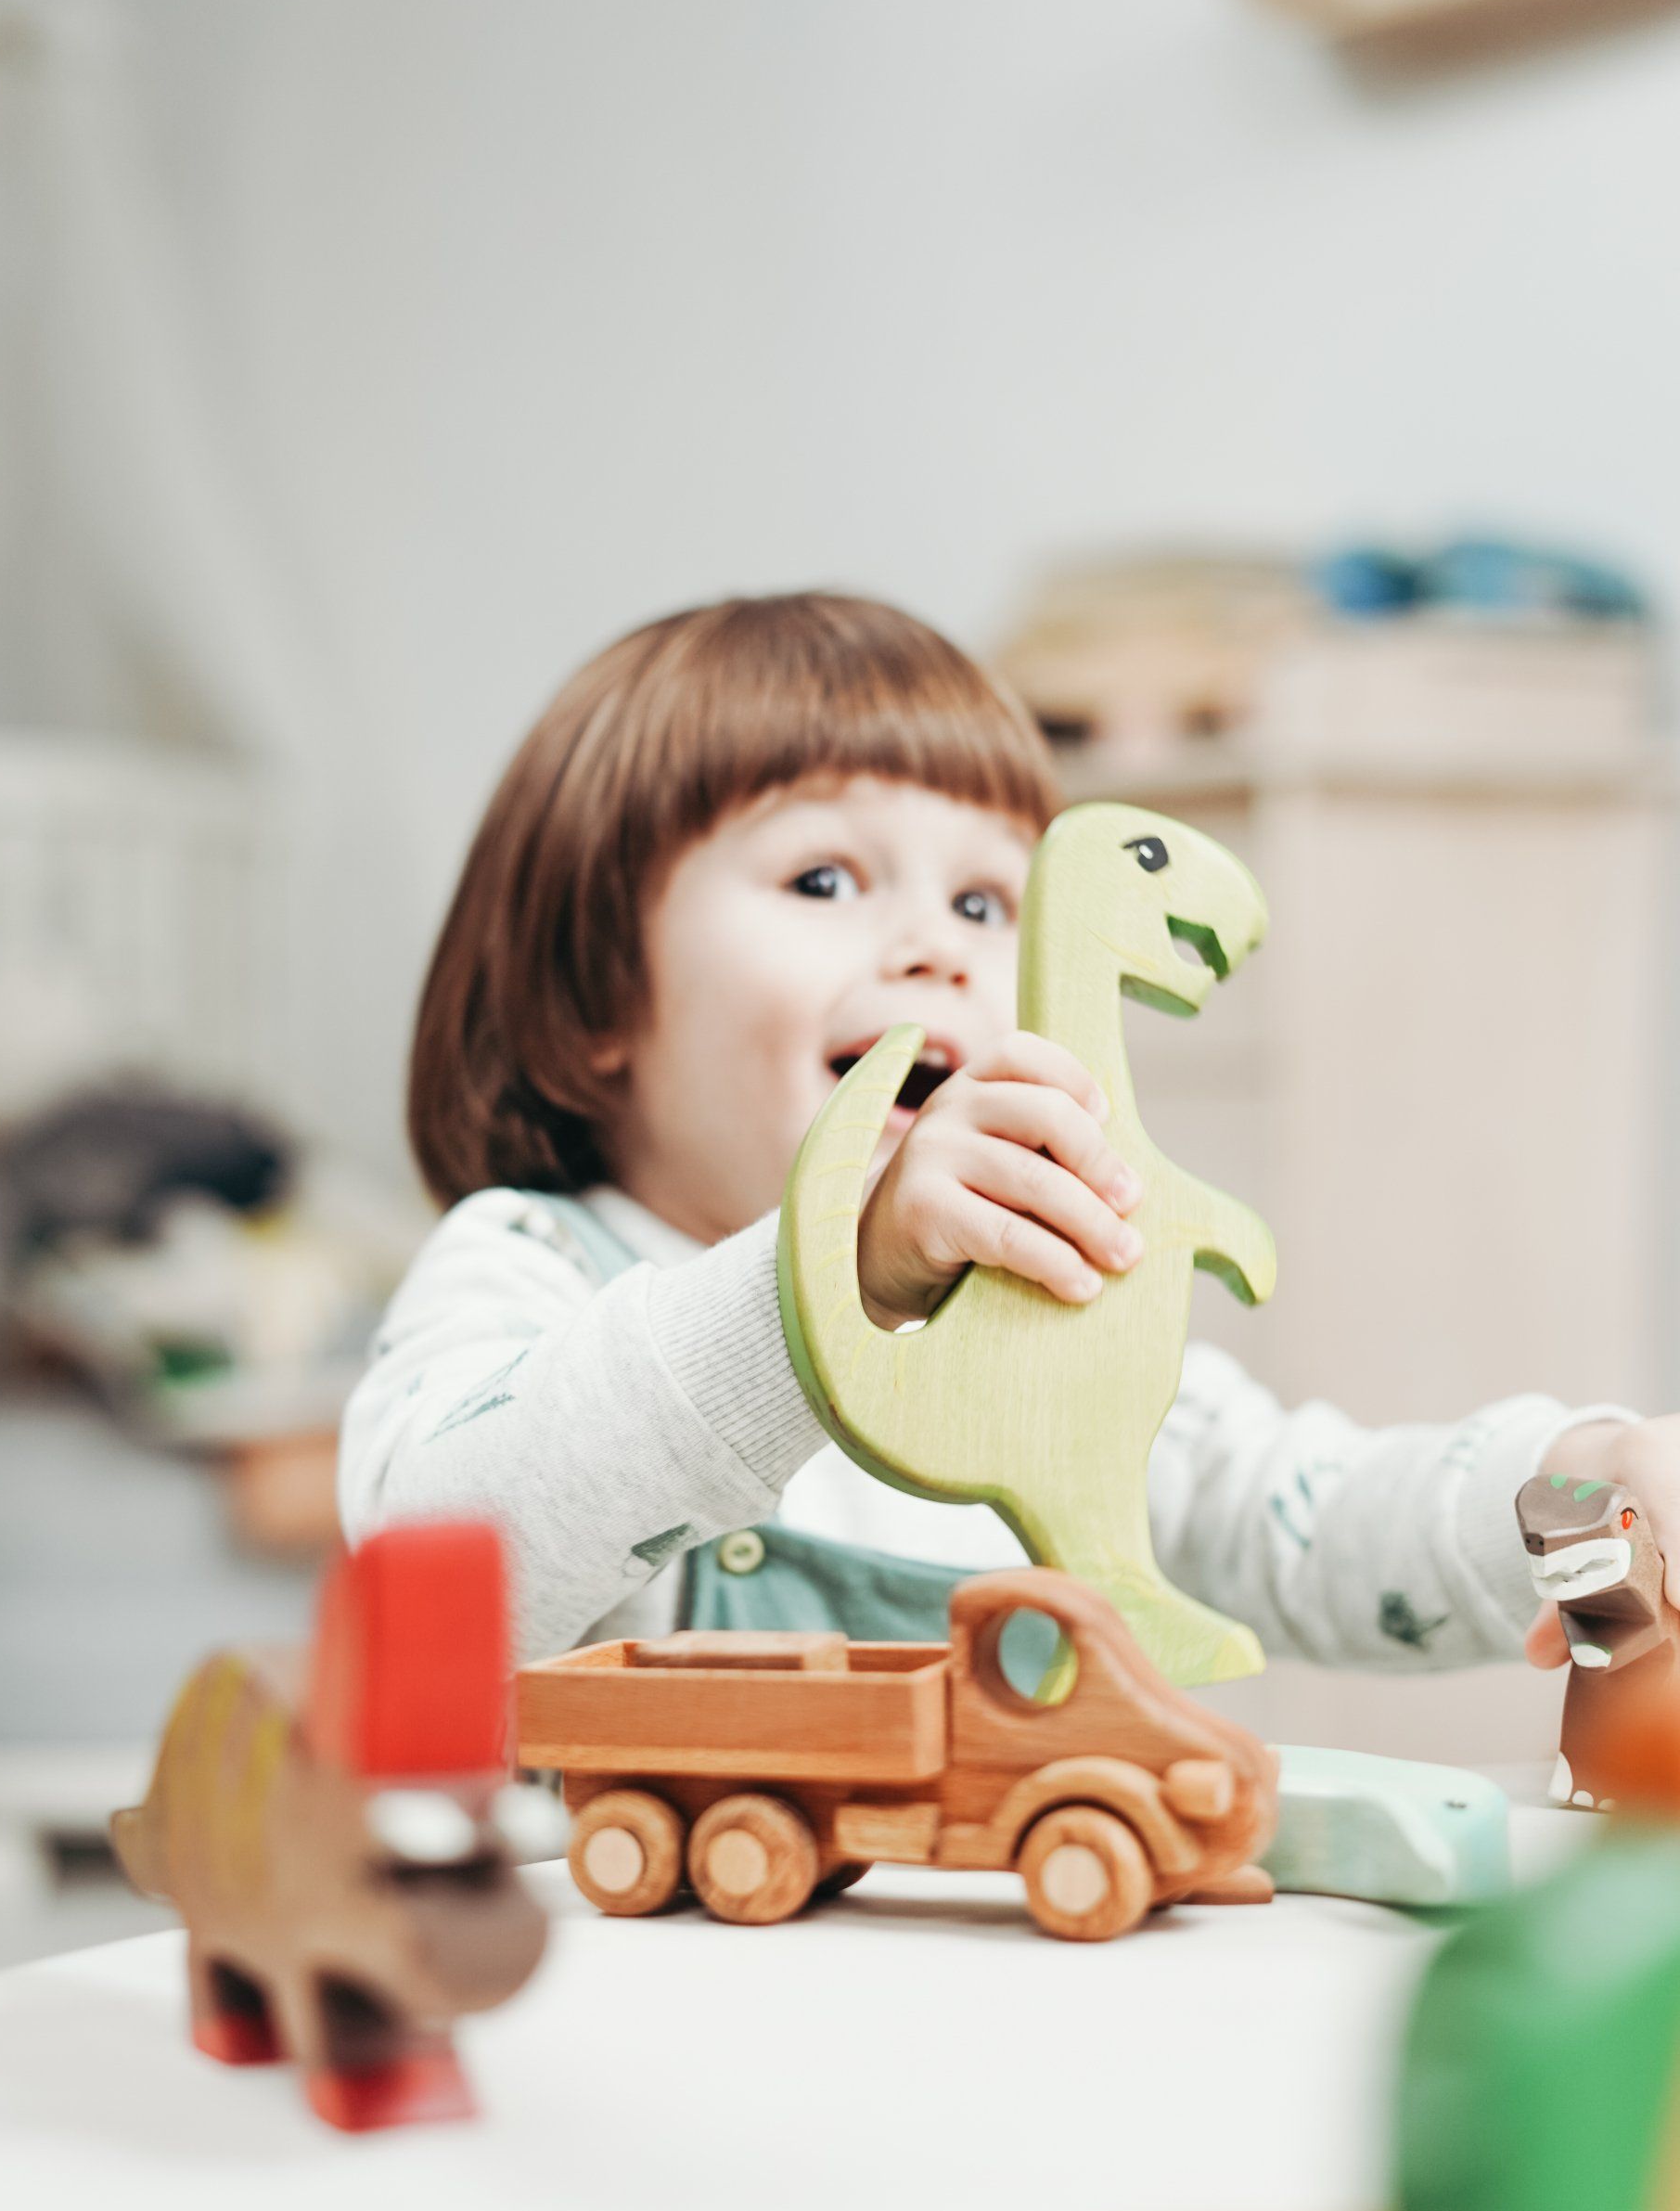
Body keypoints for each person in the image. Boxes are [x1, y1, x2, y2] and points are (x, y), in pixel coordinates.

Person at [339, 590, 1670, 1681]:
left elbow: (1308, 1519)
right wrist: (831, 1275)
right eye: (822, 878)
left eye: (987, 903)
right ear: (591, 995)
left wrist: (1578, 1489)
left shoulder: (1049, 1300)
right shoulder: (525, 1268)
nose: (936, 948)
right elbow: (429, 1595)